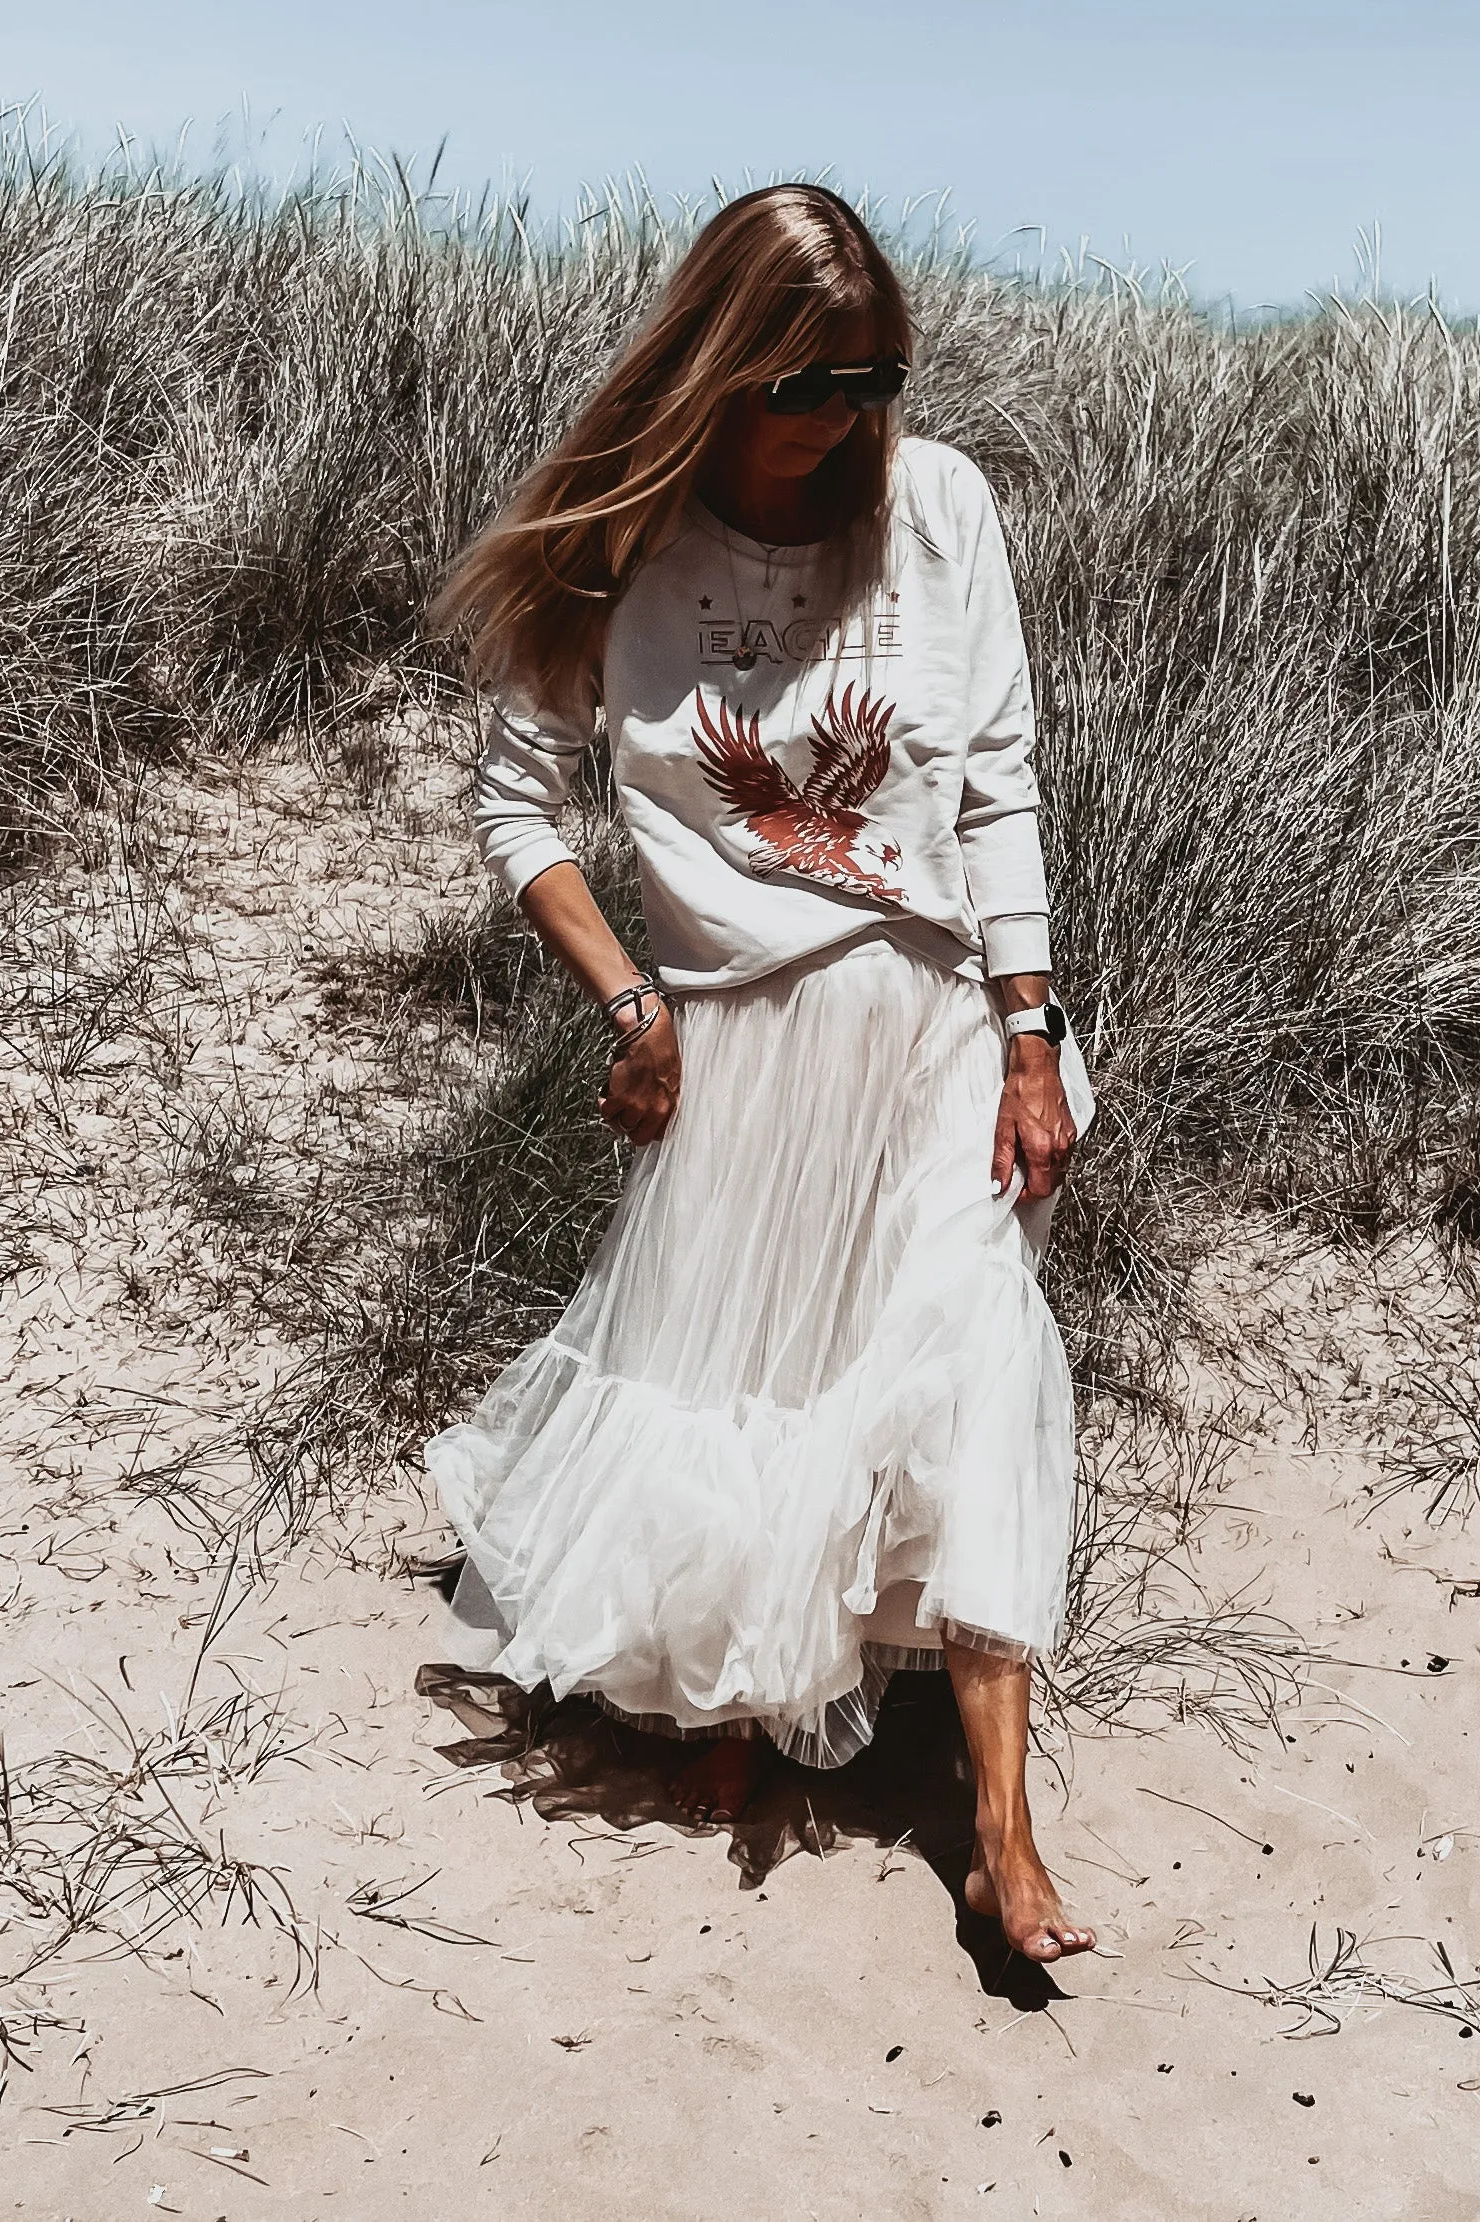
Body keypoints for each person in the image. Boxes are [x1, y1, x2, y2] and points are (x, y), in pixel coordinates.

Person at [423, 183, 1095, 1964]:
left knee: (970, 1372)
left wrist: (1032, 1037)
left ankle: (1001, 1838)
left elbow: (1000, 783)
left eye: (874, 378)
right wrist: (631, 1006)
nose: (845, 417)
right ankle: (739, 1699)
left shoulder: (940, 511)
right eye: (809, 379)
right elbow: (514, 803)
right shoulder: (616, 544)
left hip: (943, 1022)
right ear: (724, 361)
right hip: (738, 1030)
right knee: (747, 1379)